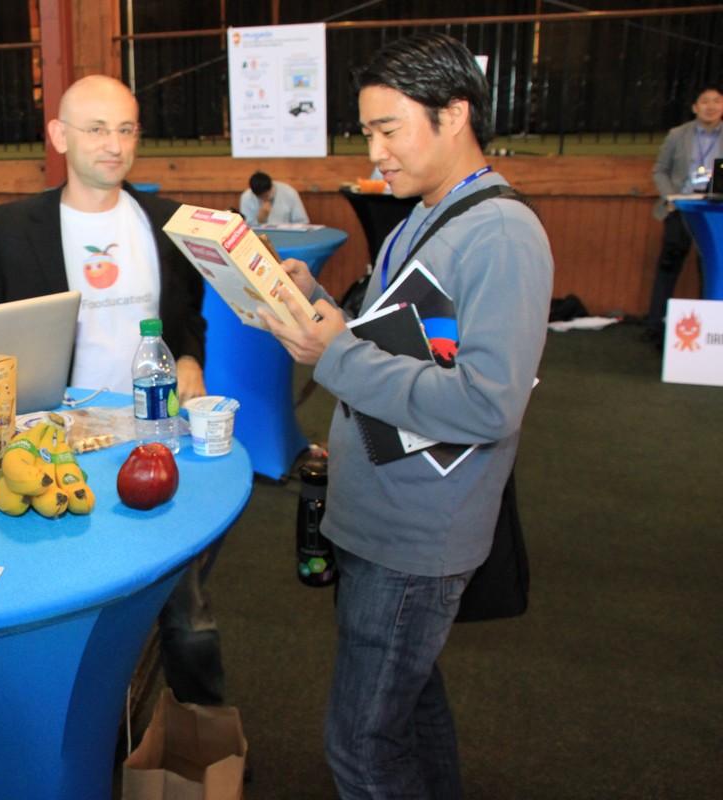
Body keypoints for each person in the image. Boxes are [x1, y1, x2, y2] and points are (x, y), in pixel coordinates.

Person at [259, 34, 553, 798]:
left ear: (454, 114)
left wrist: (335, 354)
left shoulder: (501, 234)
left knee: (362, 747)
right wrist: (318, 306)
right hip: (383, 510)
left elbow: (488, 402)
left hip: (416, 535)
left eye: (389, 130)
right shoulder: (428, 213)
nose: (375, 153)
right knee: (409, 712)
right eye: (368, 132)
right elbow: (404, 337)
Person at [0, 75, 227, 708]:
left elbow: (186, 316)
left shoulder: (168, 224)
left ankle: (204, 730)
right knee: (58, 605)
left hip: (150, 440)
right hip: (48, 445)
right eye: (97, 129)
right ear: (59, 136)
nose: (114, 144)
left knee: (187, 615)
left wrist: (190, 357)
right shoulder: (7, 229)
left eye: (126, 129)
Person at [643, 85, 723, 344]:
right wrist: (671, 198)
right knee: (669, 266)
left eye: (717, 101)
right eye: (705, 101)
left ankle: (709, 330)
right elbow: (660, 171)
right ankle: (655, 325)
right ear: (695, 107)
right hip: (681, 209)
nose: (711, 106)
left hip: (715, 212)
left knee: (710, 268)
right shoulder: (678, 135)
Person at [239, 171, 309, 226]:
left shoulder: (289, 192)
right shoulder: (246, 197)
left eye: (267, 194)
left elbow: (302, 221)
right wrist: (260, 220)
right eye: (261, 197)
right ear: (254, 193)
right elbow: (246, 227)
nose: (265, 198)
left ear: (271, 186)